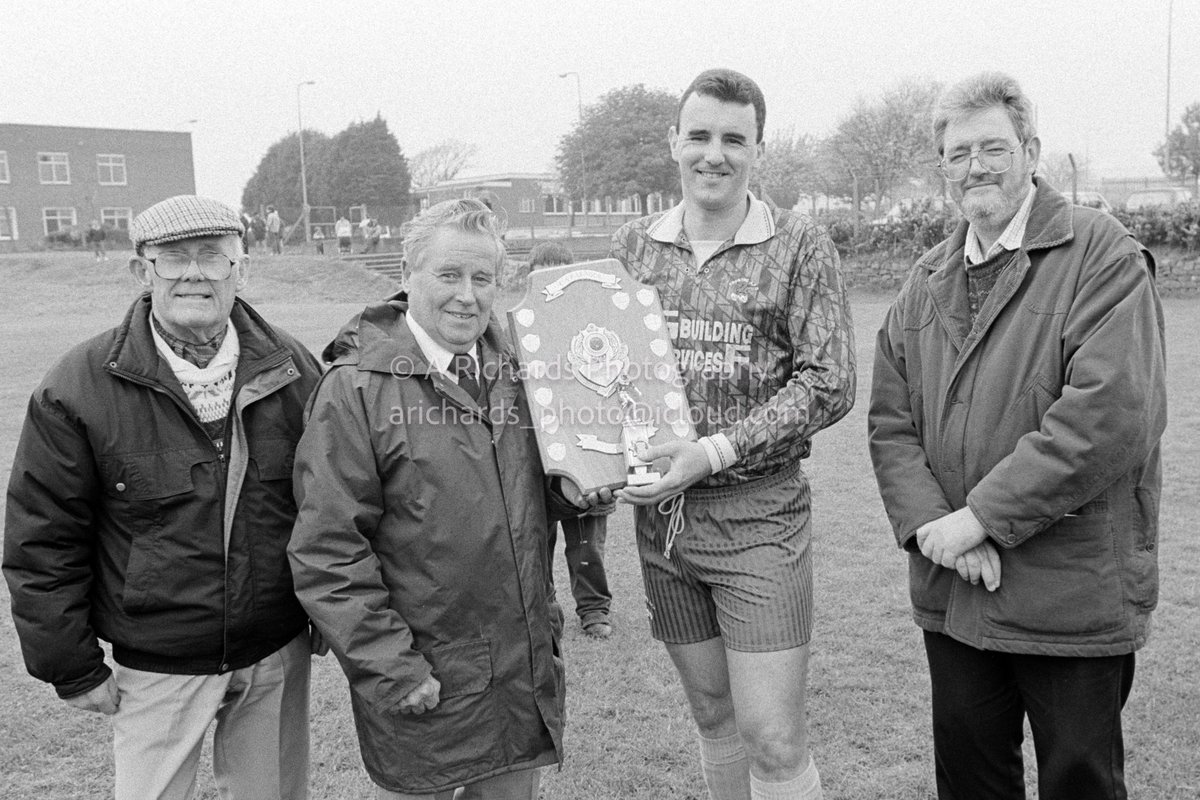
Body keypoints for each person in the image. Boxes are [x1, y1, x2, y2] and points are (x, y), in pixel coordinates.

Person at [867, 72, 1166, 800]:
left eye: (994, 148)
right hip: (957, 596)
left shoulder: (1102, 254)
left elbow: (1110, 414)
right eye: (958, 152)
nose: (976, 166)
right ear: (942, 169)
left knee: (1080, 784)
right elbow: (890, 422)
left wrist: (981, 521)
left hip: (1071, 596)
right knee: (970, 783)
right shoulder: (925, 279)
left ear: (1031, 150)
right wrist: (940, 528)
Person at [2, 195, 324, 800]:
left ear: (243, 268)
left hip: (275, 652)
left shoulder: (295, 368)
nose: (195, 274)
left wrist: (330, 610)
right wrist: (71, 667)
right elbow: (42, 538)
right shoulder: (77, 386)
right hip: (156, 664)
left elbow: (329, 505)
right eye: (173, 259)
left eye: (213, 257)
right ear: (141, 272)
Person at [288, 198, 608, 799]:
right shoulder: (355, 388)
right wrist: (391, 665)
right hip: (424, 677)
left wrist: (582, 488)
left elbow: (541, 492)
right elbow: (328, 550)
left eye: (482, 278)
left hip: (518, 667)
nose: (467, 295)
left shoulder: (521, 369)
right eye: (449, 275)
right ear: (407, 277)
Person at [610, 68, 856, 800]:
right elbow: (603, 367)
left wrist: (713, 452)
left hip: (758, 515)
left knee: (773, 738)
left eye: (732, 139)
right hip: (664, 521)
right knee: (715, 718)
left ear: (757, 150)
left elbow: (830, 381)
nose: (713, 154)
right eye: (699, 136)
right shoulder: (634, 246)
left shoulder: (798, 244)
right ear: (674, 143)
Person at [527, 240, 616, 639]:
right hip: (538, 465)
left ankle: (594, 610)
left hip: (586, 456)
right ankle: (540, 612)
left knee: (586, 548)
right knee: (534, 547)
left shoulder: (595, 328)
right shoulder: (519, 329)